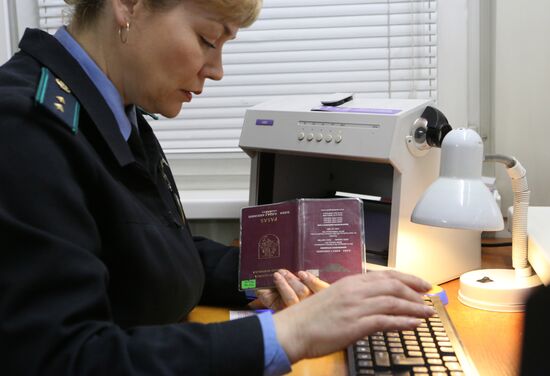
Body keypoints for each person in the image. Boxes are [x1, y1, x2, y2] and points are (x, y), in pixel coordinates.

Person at [0, 0, 435, 374]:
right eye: (209, 40)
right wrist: (294, 332)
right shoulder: (24, 126)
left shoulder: (111, 107)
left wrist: (284, 275)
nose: (218, 70)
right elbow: (63, 359)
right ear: (128, 5)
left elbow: (152, 252)